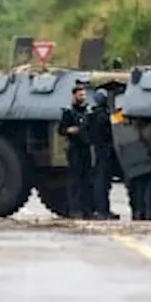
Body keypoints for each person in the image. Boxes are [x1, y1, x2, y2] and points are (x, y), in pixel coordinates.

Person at [57, 84, 93, 219]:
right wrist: (69, 130)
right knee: (74, 181)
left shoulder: (88, 112)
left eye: (84, 94)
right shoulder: (68, 112)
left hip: (86, 148)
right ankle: (75, 209)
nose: (82, 97)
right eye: (80, 95)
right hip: (74, 148)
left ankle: (87, 209)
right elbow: (61, 130)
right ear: (74, 96)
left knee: (87, 180)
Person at [87, 88, 121, 220]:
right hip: (104, 151)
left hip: (96, 151)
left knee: (99, 182)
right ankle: (102, 211)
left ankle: (100, 210)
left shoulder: (92, 114)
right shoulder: (103, 115)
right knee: (102, 183)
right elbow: (113, 125)